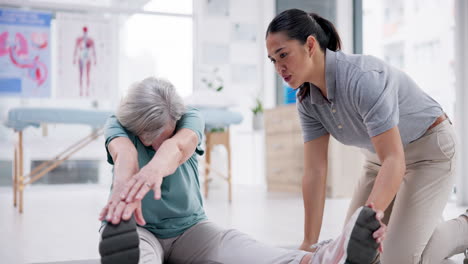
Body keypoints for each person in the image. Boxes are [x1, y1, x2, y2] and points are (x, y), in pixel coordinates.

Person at [97, 77, 386, 264]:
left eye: (171, 131)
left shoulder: (188, 117)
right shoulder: (119, 124)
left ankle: (329, 258)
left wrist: (157, 168)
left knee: (249, 250)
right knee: (138, 255)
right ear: (139, 129)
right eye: (157, 136)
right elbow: (125, 154)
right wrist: (123, 191)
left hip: (191, 228)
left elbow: (180, 147)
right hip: (140, 229)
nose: (166, 137)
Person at [265, 8, 468, 263]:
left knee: (396, 258)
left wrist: (365, 226)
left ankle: (463, 229)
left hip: (429, 152)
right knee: (357, 253)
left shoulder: (363, 78)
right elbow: (315, 172)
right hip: (378, 160)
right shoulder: (307, 102)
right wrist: (308, 243)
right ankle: (419, 229)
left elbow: (395, 159)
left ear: (310, 45)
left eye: (283, 54)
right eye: (273, 60)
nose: (279, 67)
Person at [73, 26, 96, 97]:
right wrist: (74, 58)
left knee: (87, 75)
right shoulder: (79, 40)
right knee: (81, 75)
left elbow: (93, 50)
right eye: (84, 31)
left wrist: (95, 59)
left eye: (85, 31)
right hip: (81, 57)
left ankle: (87, 90)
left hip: (88, 58)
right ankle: (81, 90)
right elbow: (76, 49)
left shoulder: (90, 40)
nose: (85, 33)